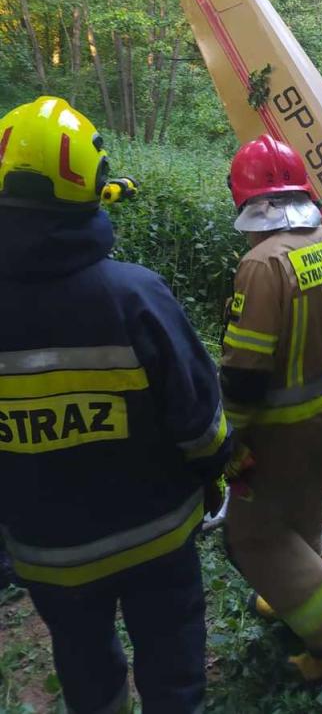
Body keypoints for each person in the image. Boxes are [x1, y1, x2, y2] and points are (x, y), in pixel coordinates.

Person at [0, 96, 231, 714]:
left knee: (82, 659)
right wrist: (214, 472)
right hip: (157, 536)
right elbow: (199, 419)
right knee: (172, 652)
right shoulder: (135, 295)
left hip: (48, 552)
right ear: (90, 187)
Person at [220, 134, 322, 683]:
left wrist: (229, 436)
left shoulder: (261, 265)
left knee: (253, 535)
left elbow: (245, 370)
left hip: (277, 428)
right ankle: (294, 597)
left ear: (248, 201)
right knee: (304, 512)